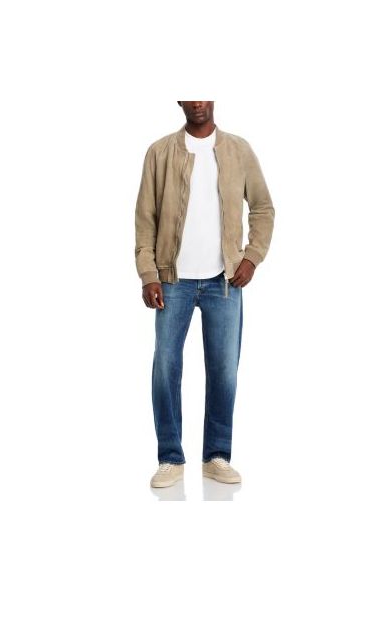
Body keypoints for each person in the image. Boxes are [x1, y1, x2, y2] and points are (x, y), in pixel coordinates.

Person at [134, 101, 275, 488]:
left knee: (224, 370)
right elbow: (145, 218)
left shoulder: (238, 150)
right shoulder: (159, 152)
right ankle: (170, 457)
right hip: (172, 280)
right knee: (165, 368)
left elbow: (263, 207)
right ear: (179, 100)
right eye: (189, 94)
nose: (197, 101)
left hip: (224, 282)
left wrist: (252, 257)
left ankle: (216, 456)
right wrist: (148, 274)